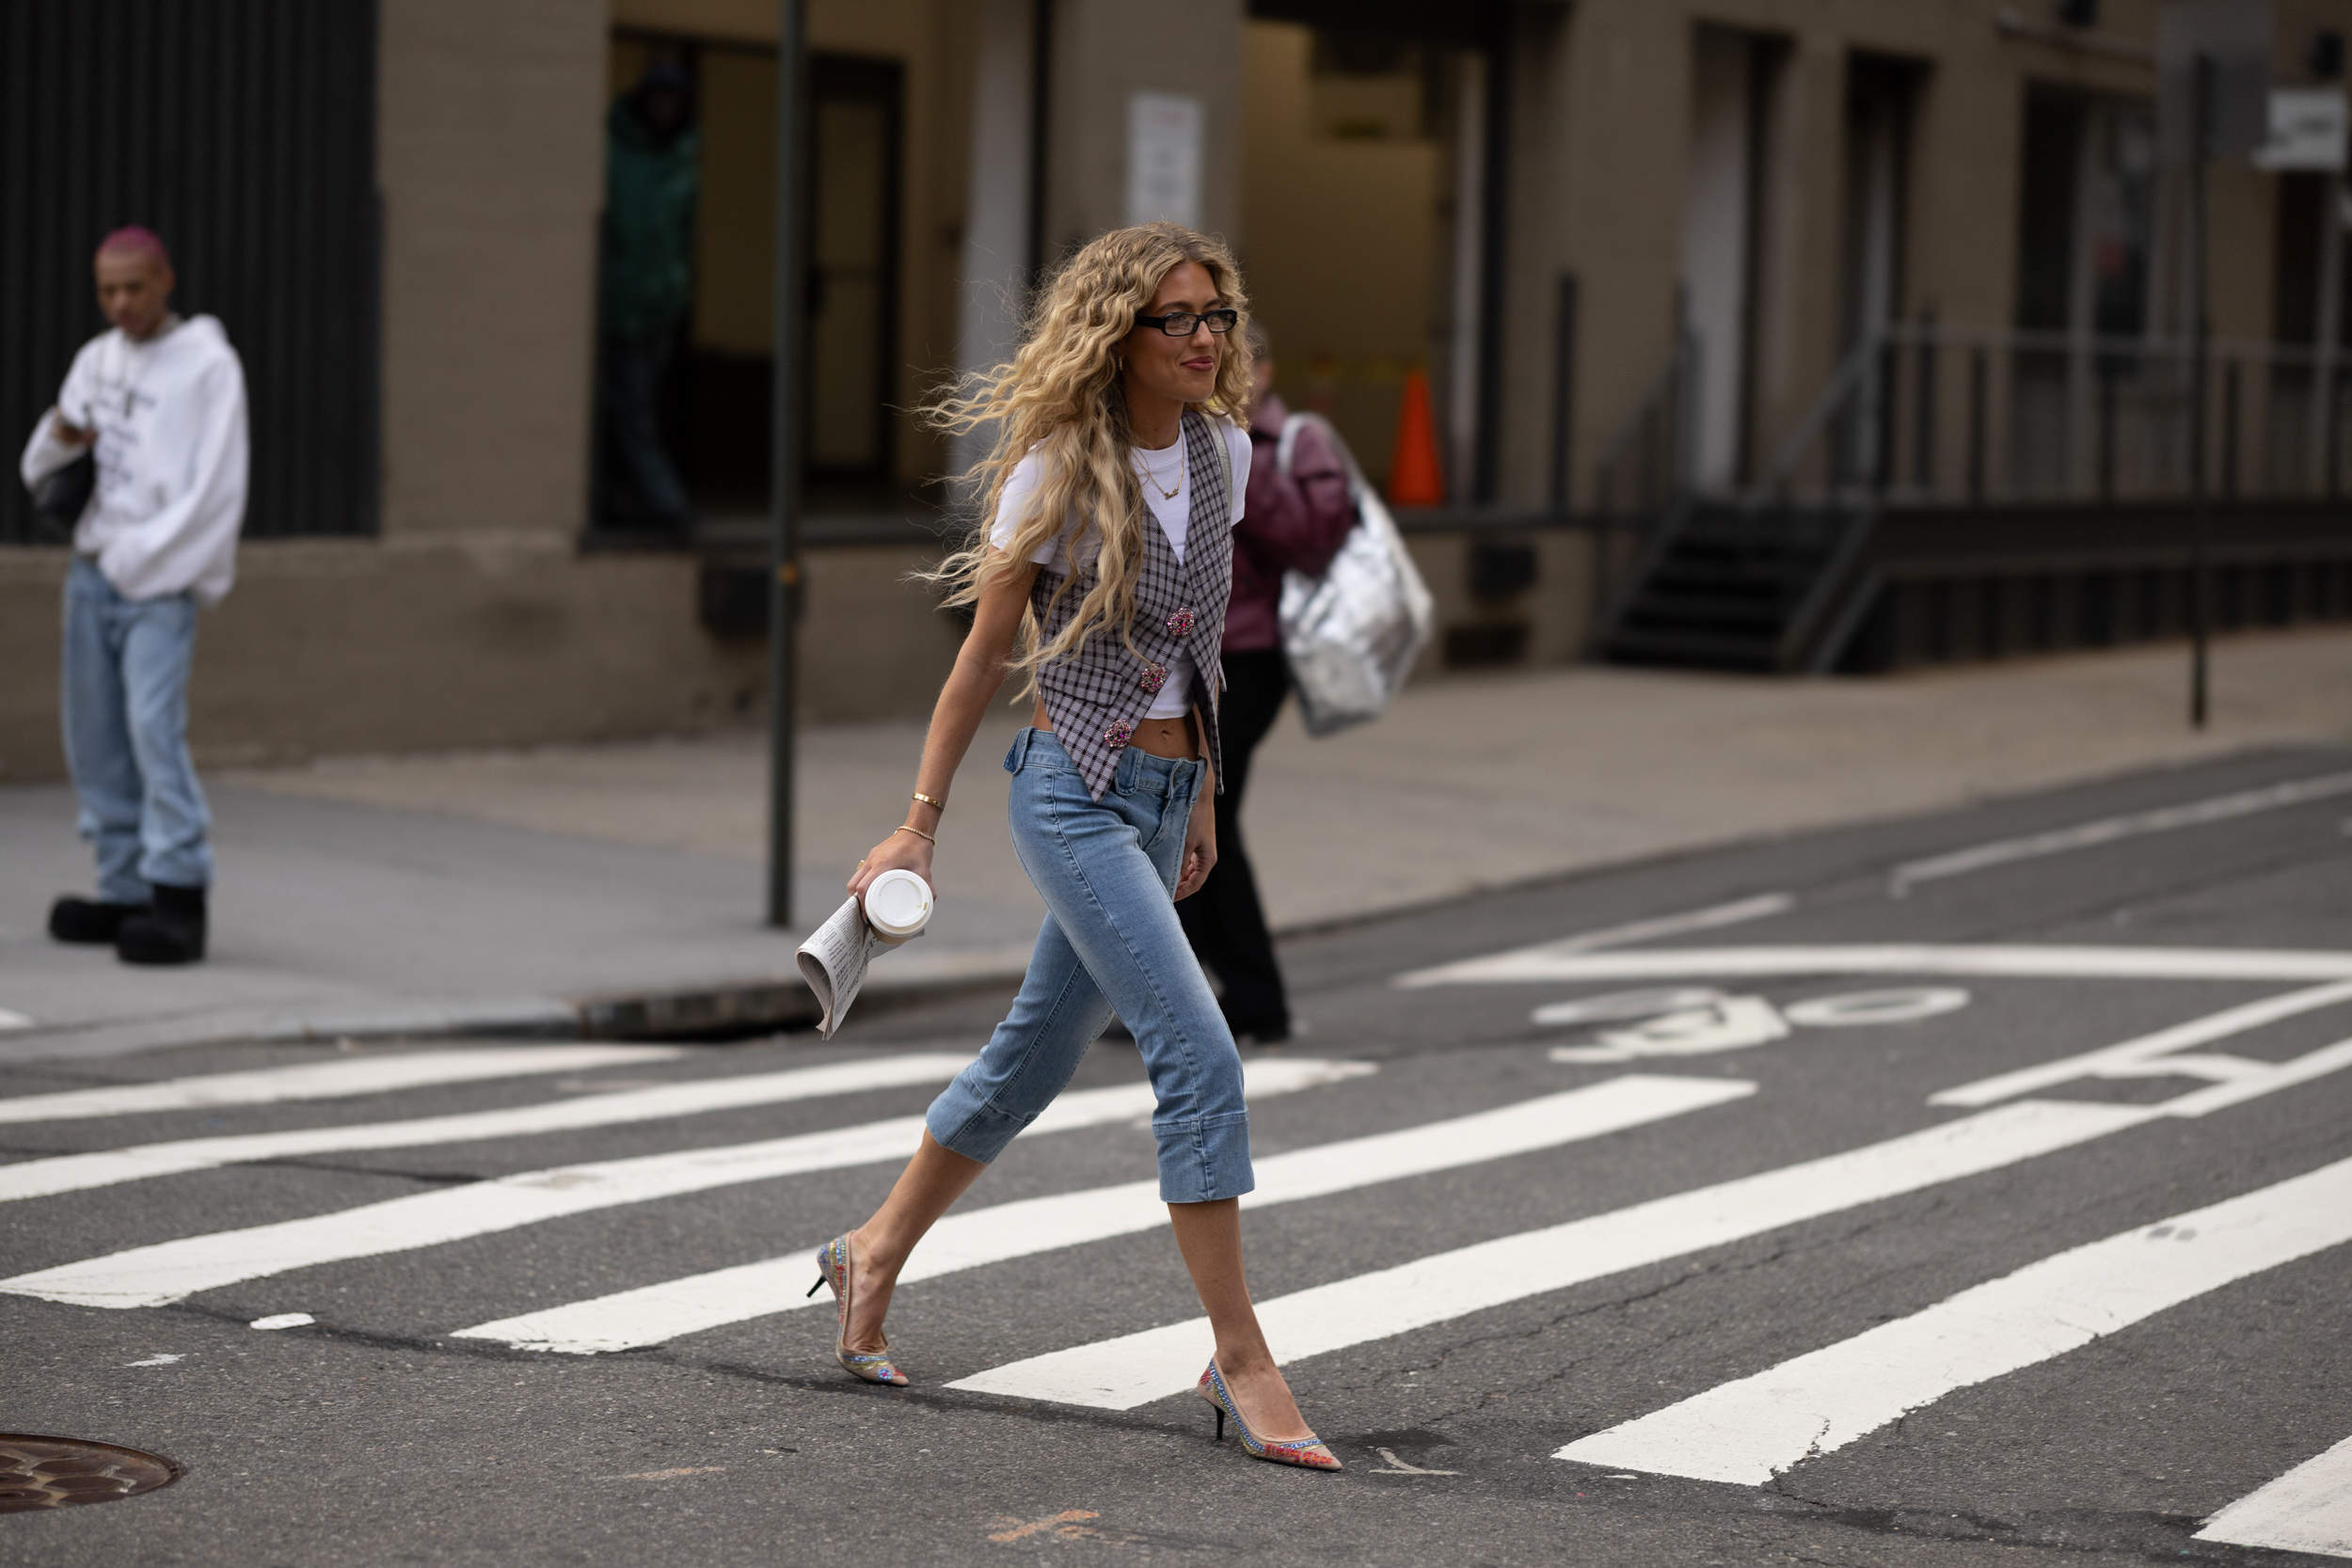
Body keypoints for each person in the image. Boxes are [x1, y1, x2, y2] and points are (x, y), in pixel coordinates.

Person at [819, 223, 1341, 1471]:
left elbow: (1203, 644)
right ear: (1122, 332)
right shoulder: (1058, 468)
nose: (1210, 337)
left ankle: (870, 1249)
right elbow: (980, 657)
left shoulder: (1223, 450)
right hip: (1072, 792)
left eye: (1219, 314)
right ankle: (1240, 1354)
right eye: (1181, 318)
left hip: (1168, 797)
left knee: (1032, 1054)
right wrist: (918, 824)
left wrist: (1207, 794)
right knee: (1201, 1052)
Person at [21, 227, 249, 966]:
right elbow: (39, 464)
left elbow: (216, 487)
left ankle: (179, 893)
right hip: (90, 578)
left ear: (166, 281)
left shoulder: (208, 366)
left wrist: (139, 556)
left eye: (135, 287)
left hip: (158, 585)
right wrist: (59, 436)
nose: (121, 303)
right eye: (107, 290)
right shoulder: (97, 357)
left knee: (153, 731)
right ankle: (123, 888)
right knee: (95, 738)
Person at [1176, 322, 1356, 1045]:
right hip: (1192, 656)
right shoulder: (1185, 434)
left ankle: (1251, 999)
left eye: (1239, 363)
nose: (1224, 374)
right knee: (1186, 816)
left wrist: (1240, 467)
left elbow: (1315, 540)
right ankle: (1190, 996)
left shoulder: (1297, 441)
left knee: (1207, 812)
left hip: (1253, 656)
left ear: (1268, 368)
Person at [596, 60, 698, 536]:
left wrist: (674, 292)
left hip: (657, 309)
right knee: (625, 409)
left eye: (672, 100)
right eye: (658, 98)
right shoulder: (614, 150)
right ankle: (660, 502)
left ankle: (627, 499)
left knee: (631, 407)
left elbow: (679, 238)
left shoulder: (681, 160)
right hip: (617, 304)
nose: (664, 109)